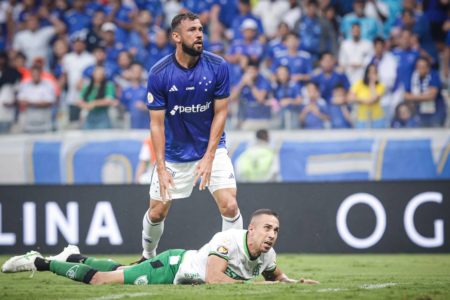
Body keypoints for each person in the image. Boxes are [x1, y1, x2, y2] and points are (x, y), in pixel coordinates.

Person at [142, 12, 242, 262]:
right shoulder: (159, 73)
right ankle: (147, 256)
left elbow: (221, 113)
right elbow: (156, 125)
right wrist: (161, 167)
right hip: (174, 155)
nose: (199, 34)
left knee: (230, 205)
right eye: (192, 30)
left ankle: (225, 263)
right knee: (156, 213)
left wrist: (209, 156)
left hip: (211, 148)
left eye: (200, 29)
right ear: (176, 36)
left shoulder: (218, 66)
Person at [2, 209, 319, 285]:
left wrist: (292, 284)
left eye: (276, 230)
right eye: (267, 227)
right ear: (251, 228)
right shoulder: (229, 240)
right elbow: (214, 278)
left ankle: (73, 256)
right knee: (103, 281)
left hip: (178, 267)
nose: (272, 234)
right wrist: (260, 290)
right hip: (173, 266)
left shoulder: (267, 254)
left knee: (121, 270)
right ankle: (41, 262)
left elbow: (275, 275)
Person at [349, 63, 386, 129]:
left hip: (377, 118)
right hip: (362, 118)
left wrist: (372, 84)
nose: (372, 75)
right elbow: (350, 97)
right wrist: (366, 100)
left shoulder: (381, 86)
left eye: (374, 72)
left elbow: (373, 99)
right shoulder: (359, 83)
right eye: (370, 72)